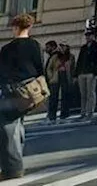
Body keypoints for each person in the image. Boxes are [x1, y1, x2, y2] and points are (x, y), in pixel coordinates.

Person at [0, 14, 46, 179]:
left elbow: (3, 73)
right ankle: (15, 161)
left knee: (7, 128)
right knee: (18, 126)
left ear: (15, 28)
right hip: (31, 92)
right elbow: (41, 69)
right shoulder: (36, 46)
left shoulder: (7, 49)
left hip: (13, 91)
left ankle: (12, 169)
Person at [74, 30, 97, 121]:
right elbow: (79, 61)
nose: (87, 38)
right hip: (82, 73)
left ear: (93, 36)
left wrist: (95, 72)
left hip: (90, 72)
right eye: (86, 36)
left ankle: (90, 112)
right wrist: (76, 74)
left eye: (89, 36)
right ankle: (83, 112)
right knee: (83, 94)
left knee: (90, 93)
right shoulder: (83, 48)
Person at [43, 42, 73, 124]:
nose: (62, 48)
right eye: (61, 47)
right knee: (53, 97)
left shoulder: (70, 57)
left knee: (65, 96)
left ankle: (64, 115)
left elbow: (72, 68)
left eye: (63, 47)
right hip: (56, 78)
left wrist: (72, 77)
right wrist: (51, 77)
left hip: (66, 77)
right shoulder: (56, 56)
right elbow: (49, 68)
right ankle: (52, 116)